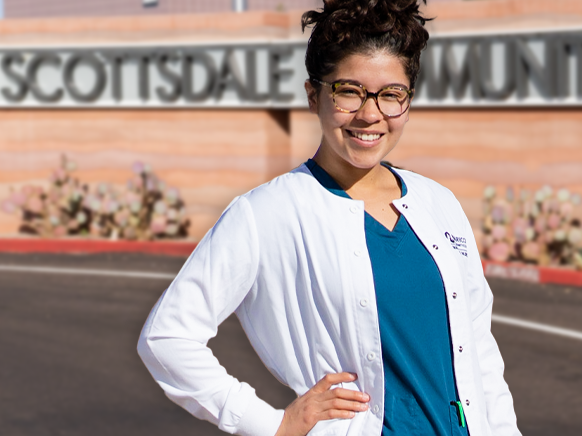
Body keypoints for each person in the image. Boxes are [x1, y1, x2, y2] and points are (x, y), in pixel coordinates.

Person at [137, 1, 522, 435]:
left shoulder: (438, 203)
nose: (370, 114)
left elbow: (478, 350)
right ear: (314, 94)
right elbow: (167, 338)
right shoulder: (268, 214)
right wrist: (272, 424)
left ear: (408, 101)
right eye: (349, 91)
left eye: (391, 94)